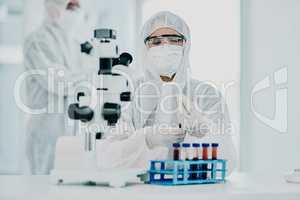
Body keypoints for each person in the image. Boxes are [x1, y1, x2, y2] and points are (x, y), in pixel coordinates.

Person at [97, 11, 237, 174]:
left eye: (174, 40)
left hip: (194, 192)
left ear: (186, 45)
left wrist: (206, 129)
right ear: (145, 48)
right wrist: (148, 138)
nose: (165, 47)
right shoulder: (128, 92)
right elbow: (106, 159)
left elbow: (228, 164)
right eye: (156, 42)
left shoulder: (207, 95)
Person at [23, 0, 96, 174]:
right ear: (52, 7)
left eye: (76, 7)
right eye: (69, 7)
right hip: (47, 131)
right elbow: (58, 82)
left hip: (74, 131)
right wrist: (93, 76)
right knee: (43, 189)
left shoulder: (77, 44)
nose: (74, 12)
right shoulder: (37, 41)